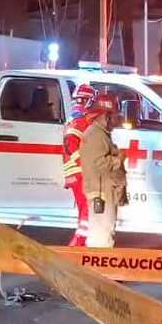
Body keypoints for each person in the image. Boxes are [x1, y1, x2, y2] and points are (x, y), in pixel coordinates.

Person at [80, 92, 129, 248]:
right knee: (101, 232)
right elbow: (100, 164)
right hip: (101, 193)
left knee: (105, 230)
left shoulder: (101, 134)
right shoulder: (95, 135)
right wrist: (119, 159)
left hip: (105, 191)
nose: (117, 121)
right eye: (115, 116)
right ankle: (96, 266)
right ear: (106, 116)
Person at [61, 84, 98, 246]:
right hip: (82, 172)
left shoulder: (75, 118)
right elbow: (72, 144)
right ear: (89, 101)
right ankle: (79, 243)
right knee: (88, 209)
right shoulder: (81, 120)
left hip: (77, 172)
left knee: (85, 207)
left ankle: (81, 242)